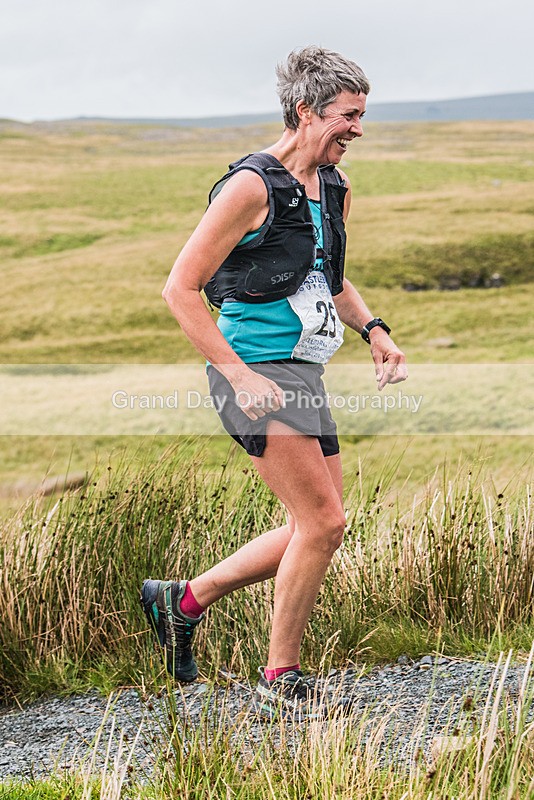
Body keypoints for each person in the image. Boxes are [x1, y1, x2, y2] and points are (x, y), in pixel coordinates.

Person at [141, 45, 407, 721]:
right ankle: (279, 676)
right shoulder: (250, 186)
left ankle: (183, 600)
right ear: (305, 110)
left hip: (304, 373)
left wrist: (372, 328)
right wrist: (237, 374)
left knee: (317, 526)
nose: (357, 129)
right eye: (348, 116)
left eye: (361, 116)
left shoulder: (335, 187)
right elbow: (180, 289)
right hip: (255, 374)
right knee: (322, 521)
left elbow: (328, 275)